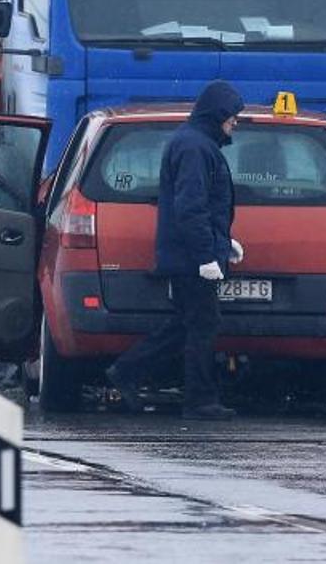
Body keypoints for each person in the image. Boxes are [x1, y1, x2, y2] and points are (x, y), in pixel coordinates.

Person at [106, 79, 246, 420]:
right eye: (233, 115)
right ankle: (199, 400)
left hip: (191, 254)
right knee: (202, 325)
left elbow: (199, 207)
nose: (235, 122)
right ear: (218, 114)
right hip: (191, 259)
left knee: (187, 324)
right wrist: (205, 257)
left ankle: (126, 371)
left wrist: (223, 244)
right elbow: (190, 207)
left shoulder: (197, 144)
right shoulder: (196, 148)